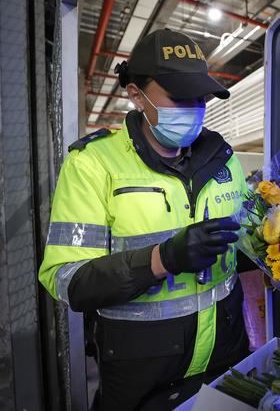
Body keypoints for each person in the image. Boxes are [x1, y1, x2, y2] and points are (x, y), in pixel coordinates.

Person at [38, 29, 250, 410]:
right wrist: (162, 259)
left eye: (199, 97)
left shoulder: (224, 158)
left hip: (226, 361)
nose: (194, 107)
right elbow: (68, 280)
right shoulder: (93, 165)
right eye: (179, 97)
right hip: (143, 379)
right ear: (135, 94)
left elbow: (243, 245)